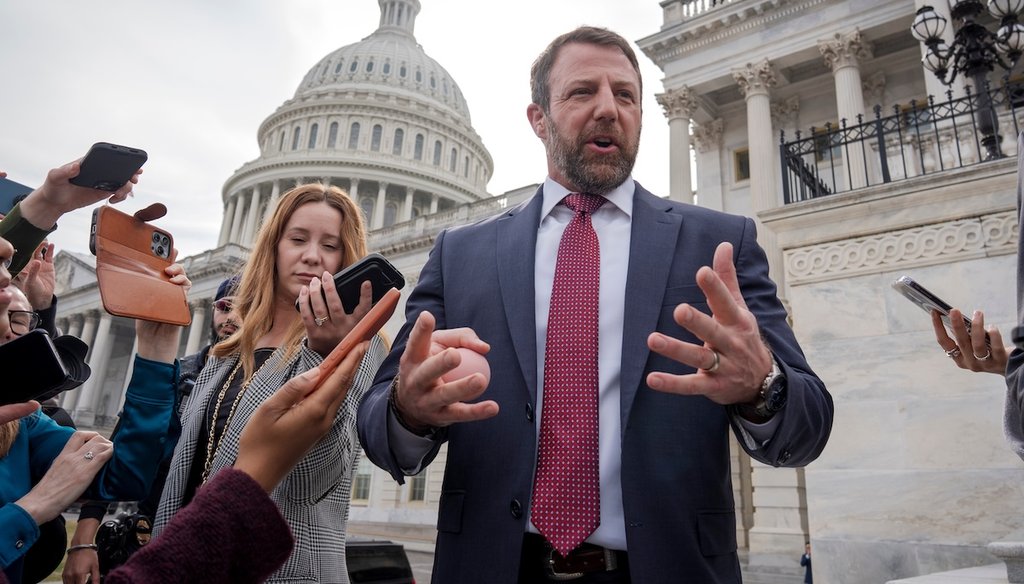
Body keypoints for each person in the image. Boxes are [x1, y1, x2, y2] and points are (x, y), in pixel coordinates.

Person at [357, 26, 833, 583]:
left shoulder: (719, 244)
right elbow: (379, 431)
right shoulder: (463, 255)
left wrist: (764, 386)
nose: (609, 109)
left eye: (625, 95)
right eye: (583, 92)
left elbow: (808, 427)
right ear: (539, 118)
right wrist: (407, 410)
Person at [154, 183, 387, 583]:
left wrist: (325, 357)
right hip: (190, 561)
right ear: (273, 247)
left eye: (330, 246)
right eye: (297, 239)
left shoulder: (359, 345)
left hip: (284, 571)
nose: (311, 256)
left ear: (346, 259)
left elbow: (317, 477)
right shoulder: (227, 351)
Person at [0, 339, 370, 584]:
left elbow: (125, 471)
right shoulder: (209, 369)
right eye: (11, 317)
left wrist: (155, 351)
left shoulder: (23, 424)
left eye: (20, 317)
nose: (19, 333)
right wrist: (34, 508)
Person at [64, 275, 243, 584]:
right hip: (152, 530)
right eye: (225, 306)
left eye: (248, 308)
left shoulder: (259, 381)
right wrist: (84, 538)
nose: (232, 317)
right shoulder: (180, 372)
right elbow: (120, 443)